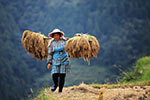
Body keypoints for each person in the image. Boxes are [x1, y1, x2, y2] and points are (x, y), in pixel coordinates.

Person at [47, 29, 70, 93]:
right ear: (53, 36)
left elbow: (69, 47)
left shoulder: (64, 41)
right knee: (54, 74)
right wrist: (49, 62)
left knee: (62, 76)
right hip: (55, 60)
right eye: (55, 35)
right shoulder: (51, 43)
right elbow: (50, 53)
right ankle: (55, 85)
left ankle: (60, 90)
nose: (56, 36)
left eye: (57, 35)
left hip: (64, 59)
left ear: (60, 35)